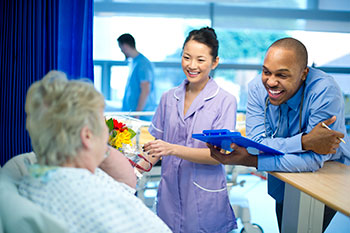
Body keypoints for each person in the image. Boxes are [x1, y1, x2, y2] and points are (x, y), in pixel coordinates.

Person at [208, 37, 350, 232]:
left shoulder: (324, 92)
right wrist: (305, 141)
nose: (271, 82)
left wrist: (254, 160)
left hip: (328, 172)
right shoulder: (257, 87)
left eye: (282, 75)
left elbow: (315, 160)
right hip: (285, 175)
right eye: (266, 72)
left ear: (303, 74)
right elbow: (254, 144)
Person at [18, 70, 171, 233]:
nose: (106, 130)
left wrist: (96, 147)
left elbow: (125, 184)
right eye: (101, 121)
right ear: (87, 135)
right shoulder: (94, 200)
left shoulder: (42, 177)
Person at [140, 27, 237, 233]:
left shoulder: (225, 101)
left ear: (214, 62)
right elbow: (157, 149)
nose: (192, 66)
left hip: (204, 198)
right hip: (169, 195)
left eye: (201, 60)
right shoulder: (168, 98)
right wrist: (132, 171)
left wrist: (173, 149)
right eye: (186, 57)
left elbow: (219, 155)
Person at [117, 33, 156, 120]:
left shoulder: (143, 64)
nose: (121, 51)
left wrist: (137, 115)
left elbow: (145, 90)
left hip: (140, 117)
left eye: (121, 48)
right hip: (133, 115)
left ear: (125, 46)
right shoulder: (134, 62)